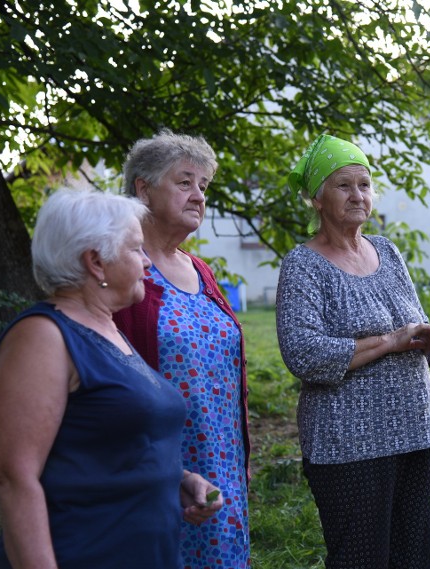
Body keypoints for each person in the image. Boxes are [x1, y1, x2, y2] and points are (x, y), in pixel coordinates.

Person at [0, 188, 222, 569]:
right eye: (135, 249)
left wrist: (180, 479)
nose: (147, 262)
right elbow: (13, 477)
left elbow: (106, 442)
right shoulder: (43, 337)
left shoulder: (107, 330)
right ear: (96, 262)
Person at [275, 133, 430, 569]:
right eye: (343, 185)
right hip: (348, 444)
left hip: (414, 429)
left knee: (419, 557)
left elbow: (409, 327)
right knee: (362, 559)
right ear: (316, 199)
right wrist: (392, 342)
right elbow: (304, 353)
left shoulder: (388, 251)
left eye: (364, 185)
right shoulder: (303, 265)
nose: (358, 195)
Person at [113, 129, 251, 569]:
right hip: (158, 465)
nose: (198, 196)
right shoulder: (121, 271)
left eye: (204, 187)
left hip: (222, 458)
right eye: (185, 182)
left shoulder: (201, 271)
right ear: (143, 188)